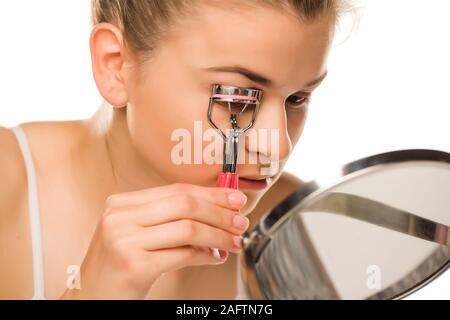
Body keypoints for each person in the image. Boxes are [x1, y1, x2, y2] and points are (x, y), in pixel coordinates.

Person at [0, 0, 349, 299]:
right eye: (233, 98)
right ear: (117, 65)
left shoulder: (288, 217)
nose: (276, 145)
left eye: (298, 98)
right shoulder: (9, 178)